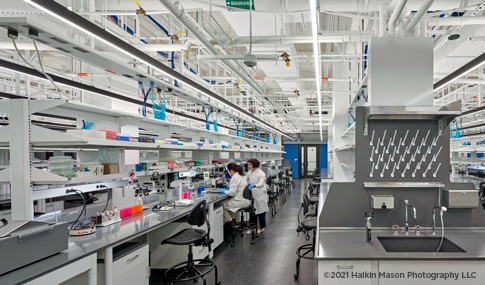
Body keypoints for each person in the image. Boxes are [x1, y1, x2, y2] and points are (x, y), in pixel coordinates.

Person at [219, 163, 250, 229]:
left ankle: (230, 222)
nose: (227, 172)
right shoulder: (241, 176)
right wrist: (229, 187)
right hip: (246, 200)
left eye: (227, 170)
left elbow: (232, 193)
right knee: (228, 203)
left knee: (221, 204)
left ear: (231, 170)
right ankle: (233, 220)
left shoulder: (235, 178)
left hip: (240, 201)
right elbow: (238, 188)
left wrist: (224, 191)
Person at [246, 158, 268, 234]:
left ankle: (262, 228)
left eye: (249, 165)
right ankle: (253, 228)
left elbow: (261, 183)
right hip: (253, 194)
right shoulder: (250, 172)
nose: (248, 166)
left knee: (261, 212)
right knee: (252, 212)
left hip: (260, 194)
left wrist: (254, 185)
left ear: (254, 165)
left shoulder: (261, 173)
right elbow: (245, 179)